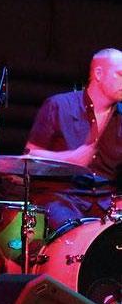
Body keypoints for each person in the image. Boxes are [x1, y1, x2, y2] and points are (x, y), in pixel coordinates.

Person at [25, 48, 122, 231]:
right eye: (120, 74)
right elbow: (29, 156)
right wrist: (69, 159)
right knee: (73, 230)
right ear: (98, 74)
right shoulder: (59, 106)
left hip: (107, 203)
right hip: (62, 199)